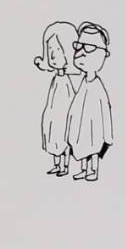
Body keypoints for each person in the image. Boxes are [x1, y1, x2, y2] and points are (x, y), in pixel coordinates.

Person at [66, 22, 113, 182]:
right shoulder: (84, 83)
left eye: (89, 47)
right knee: (84, 145)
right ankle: (84, 169)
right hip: (83, 126)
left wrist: (108, 136)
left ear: (103, 54)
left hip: (95, 128)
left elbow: (105, 110)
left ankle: (93, 170)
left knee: (93, 150)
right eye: (79, 46)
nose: (80, 53)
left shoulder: (97, 86)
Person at [34, 21, 79, 176]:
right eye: (50, 49)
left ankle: (64, 166)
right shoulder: (56, 79)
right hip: (53, 115)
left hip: (63, 116)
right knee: (53, 138)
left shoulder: (66, 80)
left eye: (58, 49)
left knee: (63, 139)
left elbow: (70, 99)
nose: (53, 54)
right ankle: (57, 164)